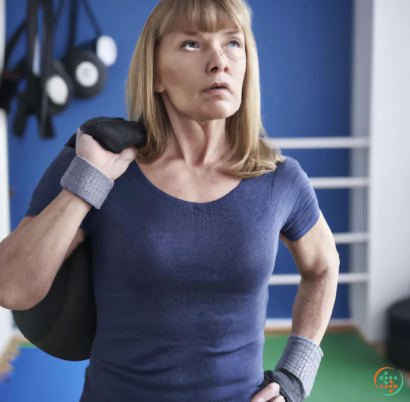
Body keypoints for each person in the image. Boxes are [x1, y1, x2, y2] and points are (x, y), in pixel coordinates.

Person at [0, 0, 339, 401]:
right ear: (156, 74)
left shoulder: (279, 179)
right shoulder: (101, 162)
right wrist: (88, 182)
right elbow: (11, 287)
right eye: (192, 44)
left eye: (233, 43)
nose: (219, 63)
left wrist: (294, 378)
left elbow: (324, 267)